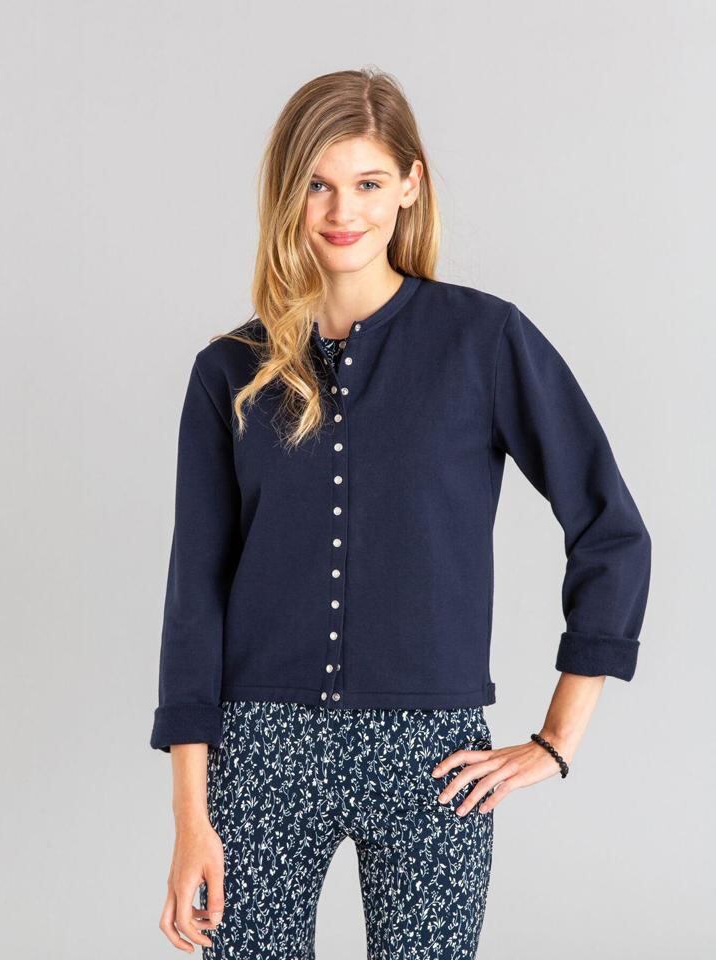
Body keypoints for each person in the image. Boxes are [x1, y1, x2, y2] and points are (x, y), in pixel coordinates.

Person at [150, 68, 652, 958]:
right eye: (317, 184)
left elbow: (610, 529)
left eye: (368, 182)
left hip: (431, 755)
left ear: (410, 185)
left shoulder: (483, 341)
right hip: (262, 753)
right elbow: (196, 598)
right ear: (286, 194)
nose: (342, 210)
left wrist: (556, 740)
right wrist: (191, 817)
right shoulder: (229, 370)